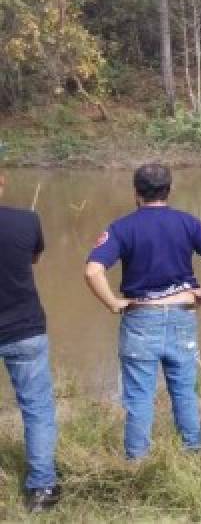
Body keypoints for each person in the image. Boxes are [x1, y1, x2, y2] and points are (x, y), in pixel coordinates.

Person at [84, 164, 201, 461]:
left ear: (136, 193)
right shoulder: (187, 222)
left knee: (139, 397)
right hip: (181, 314)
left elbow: (92, 271)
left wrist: (113, 303)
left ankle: (136, 462)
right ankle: (194, 455)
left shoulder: (121, 227)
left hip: (141, 317)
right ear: (169, 190)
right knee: (184, 393)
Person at [0, 175, 61, 512]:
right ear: (3, 181)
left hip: (24, 329)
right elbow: (34, 258)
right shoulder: (28, 220)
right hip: (25, 329)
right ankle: (41, 489)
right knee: (37, 410)